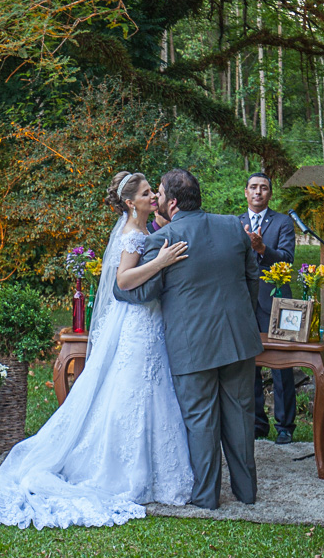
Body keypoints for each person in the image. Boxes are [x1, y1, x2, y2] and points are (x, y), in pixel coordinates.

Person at [0, 172, 193, 528]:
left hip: (144, 320)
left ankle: (153, 469)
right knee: (134, 391)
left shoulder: (142, 230)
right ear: (129, 202)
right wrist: (160, 263)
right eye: (145, 192)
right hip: (135, 322)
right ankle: (123, 472)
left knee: (146, 389)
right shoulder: (134, 235)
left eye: (153, 191)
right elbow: (124, 280)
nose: (153, 196)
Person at [115, 168, 263, 509]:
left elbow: (145, 292)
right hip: (239, 339)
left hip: (191, 343)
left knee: (200, 420)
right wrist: (242, 315)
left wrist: (118, 287)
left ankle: (207, 497)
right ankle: (246, 492)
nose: (157, 200)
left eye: (161, 195)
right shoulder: (232, 226)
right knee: (241, 415)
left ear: (174, 202)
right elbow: (252, 277)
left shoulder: (163, 241)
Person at [240, 172, 297, 444]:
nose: (258, 192)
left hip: (276, 302)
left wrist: (263, 248)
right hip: (243, 302)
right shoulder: (235, 223)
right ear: (246, 192)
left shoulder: (283, 223)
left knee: (282, 366)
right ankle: (256, 422)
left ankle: (285, 425)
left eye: (263, 188)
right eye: (253, 187)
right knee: (248, 364)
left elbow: (286, 259)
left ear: (270, 194)